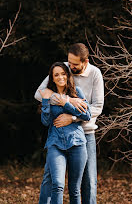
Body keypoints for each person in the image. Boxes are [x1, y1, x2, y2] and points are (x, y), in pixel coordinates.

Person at [35, 43, 104, 204]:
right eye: (69, 62)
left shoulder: (95, 74)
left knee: (88, 181)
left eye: (74, 64)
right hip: (58, 135)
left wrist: (73, 117)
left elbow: (97, 107)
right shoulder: (63, 68)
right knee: (51, 180)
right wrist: (67, 100)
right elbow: (40, 94)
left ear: (85, 62)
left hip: (84, 134)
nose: (69, 66)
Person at [39, 62, 91, 204]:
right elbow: (45, 121)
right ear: (53, 78)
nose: (60, 77)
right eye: (56, 75)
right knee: (57, 184)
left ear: (68, 75)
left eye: (63, 73)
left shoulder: (77, 92)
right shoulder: (49, 95)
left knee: (74, 189)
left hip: (77, 144)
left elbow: (87, 115)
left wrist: (65, 104)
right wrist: (45, 100)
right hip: (55, 144)